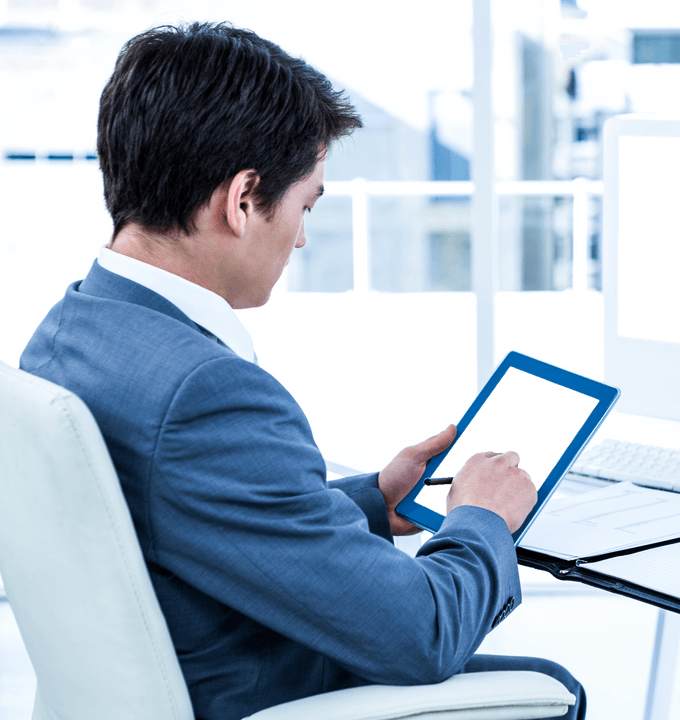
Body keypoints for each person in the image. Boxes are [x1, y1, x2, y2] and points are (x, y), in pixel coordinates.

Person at [20, 22, 584, 720]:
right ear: (243, 199)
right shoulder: (207, 394)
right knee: (550, 686)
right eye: (305, 204)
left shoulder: (67, 330)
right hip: (252, 691)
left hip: (170, 671)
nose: (303, 236)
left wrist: (374, 502)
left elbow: (191, 511)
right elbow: (424, 634)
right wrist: (482, 518)